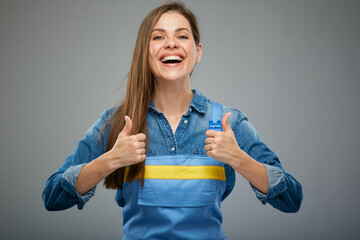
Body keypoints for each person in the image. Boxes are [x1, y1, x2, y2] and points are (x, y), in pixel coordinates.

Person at [43, 2, 303, 239]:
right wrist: (111, 159)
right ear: (145, 52)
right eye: (158, 37)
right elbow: (53, 197)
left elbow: (292, 199)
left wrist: (239, 159)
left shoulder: (228, 123)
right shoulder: (118, 123)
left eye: (182, 36)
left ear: (197, 52)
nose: (171, 44)